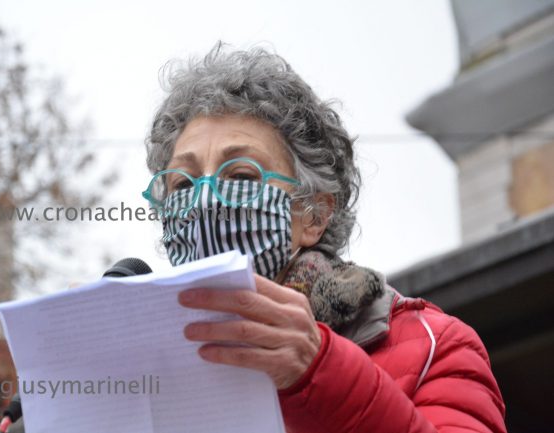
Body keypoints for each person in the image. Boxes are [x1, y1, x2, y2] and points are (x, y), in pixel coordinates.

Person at [142, 41, 507, 433]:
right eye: (183, 184)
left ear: (313, 215)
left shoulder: (435, 345)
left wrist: (318, 375)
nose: (206, 200)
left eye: (242, 176)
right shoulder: (142, 366)